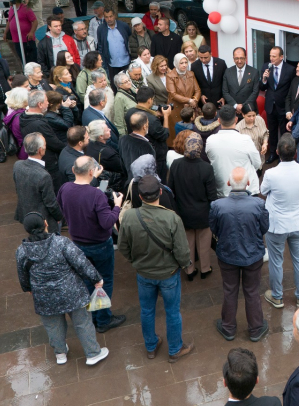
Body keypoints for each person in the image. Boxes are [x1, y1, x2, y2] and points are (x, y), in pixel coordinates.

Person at [16, 213, 110, 366]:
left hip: (44, 296)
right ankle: (93, 353)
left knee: (53, 326)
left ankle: (60, 354)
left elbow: (22, 274)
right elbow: (81, 263)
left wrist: (27, 288)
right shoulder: (61, 242)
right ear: (45, 223)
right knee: (83, 323)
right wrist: (96, 279)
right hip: (72, 292)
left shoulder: (22, 251)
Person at [118, 175, 194, 363]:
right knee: (172, 312)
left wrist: (135, 261)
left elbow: (123, 247)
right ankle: (175, 349)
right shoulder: (172, 218)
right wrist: (184, 265)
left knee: (146, 311)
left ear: (140, 196)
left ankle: (151, 347)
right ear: (160, 192)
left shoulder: (129, 216)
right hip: (169, 274)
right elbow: (182, 251)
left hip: (144, 273)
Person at [57, 156, 126, 333]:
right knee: (104, 280)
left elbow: (66, 206)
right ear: (90, 172)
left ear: (73, 170)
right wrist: (117, 206)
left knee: (88, 280)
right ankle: (103, 319)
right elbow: (107, 222)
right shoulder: (96, 195)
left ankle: (92, 316)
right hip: (100, 245)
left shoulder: (65, 189)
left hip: (78, 244)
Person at [210, 167, 269, 342]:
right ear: (248, 183)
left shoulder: (217, 205)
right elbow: (264, 228)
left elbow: (214, 228)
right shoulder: (258, 204)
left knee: (230, 290)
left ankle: (228, 328)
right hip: (253, 255)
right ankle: (256, 328)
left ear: (229, 183)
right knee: (252, 291)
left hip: (227, 254)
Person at [260, 134, 299, 308]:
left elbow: (263, 190)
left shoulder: (271, 174)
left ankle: (277, 296)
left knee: (276, 262)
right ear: (295, 152)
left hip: (277, 225)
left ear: (277, 152)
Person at [168, 133, 216, 280]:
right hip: (203, 214)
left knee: (187, 244)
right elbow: (212, 195)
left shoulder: (176, 164)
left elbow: (170, 190)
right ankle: (205, 269)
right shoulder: (206, 168)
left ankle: (189, 270)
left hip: (183, 212)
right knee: (204, 244)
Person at [206, 105, 261, 197]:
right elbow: (257, 163)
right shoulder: (245, 140)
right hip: (247, 189)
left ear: (219, 120)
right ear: (236, 119)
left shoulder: (210, 141)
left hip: (223, 191)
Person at [13, 133, 63, 233]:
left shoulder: (17, 165)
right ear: (40, 150)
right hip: (44, 220)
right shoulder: (44, 176)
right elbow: (51, 203)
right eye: (45, 145)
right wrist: (59, 217)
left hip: (26, 214)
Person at [19, 91, 67, 192]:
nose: (48, 103)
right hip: (49, 163)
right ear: (40, 104)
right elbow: (55, 144)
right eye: (46, 101)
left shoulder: (24, 116)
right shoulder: (39, 124)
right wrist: (69, 148)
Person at [125, 86, 171, 182]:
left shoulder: (130, 112)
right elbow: (164, 135)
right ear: (149, 100)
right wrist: (166, 116)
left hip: (136, 151)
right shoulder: (151, 120)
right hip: (156, 156)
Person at [260, 47, 296, 164]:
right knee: (272, 130)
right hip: (270, 105)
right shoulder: (266, 67)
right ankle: (272, 153)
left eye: (274, 56)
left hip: (283, 106)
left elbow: (291, 89)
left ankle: (283, 154)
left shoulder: (290, 69)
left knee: (284, 132)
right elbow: (262, 87)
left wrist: (289, 107)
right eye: (270, 56)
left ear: (281, 57)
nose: (271, 58)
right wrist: (264, 79)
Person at [167, 53, 201, 140]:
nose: (184, 65)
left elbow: (197, 90)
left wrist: (194, 100)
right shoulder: (170, 76)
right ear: (176, 63)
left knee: (191, 135)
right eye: (181, 63)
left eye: (186, 62)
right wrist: (188, 100)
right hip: (177, 108)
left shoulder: (191, 74)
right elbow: (173, 94)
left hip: (190, 107)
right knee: (178, 136)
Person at [85, 120, 125, 190]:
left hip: (99, 182)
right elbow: (123, 168)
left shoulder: (88, 145)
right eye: (107, 130)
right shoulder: (108, 154)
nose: (110, 130)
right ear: (101, 136)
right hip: (110, 185)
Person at [96, 9, 132, 89]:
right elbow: (100, 46)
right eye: (106, 17)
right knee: (115, 86)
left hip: (126, 62)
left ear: (114, 16)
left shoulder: (123, 26)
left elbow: (130, 40)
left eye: (111, 16)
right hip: (112, 63)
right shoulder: (101, 29)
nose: (109, 19)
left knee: (128, 84)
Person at [118, 113, 155, 187]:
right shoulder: (147, 147)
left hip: (126, 183)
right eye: (148, 123)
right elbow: (150, 171)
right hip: (141, 185)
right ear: (144, 126)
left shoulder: (122, 139)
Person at [223, 47, 260, 115]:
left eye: (241, 58)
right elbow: (225, 92)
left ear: (246, 58)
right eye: (236, 58)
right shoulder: (228, 72)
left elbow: (255, 91)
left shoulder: (254, 72)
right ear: (233, 58)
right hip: (232, 111)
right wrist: (235, 106)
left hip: (249, 111)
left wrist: (243, 106)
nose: (239, 61)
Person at [236, 103, 269, 169]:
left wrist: (265, 143)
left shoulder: (260, 120)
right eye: (249, 116)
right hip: (247, 162)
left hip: (260, 157)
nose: (252, 118)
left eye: (254, 115)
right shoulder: (238, 128)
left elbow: (265, 133)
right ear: (243, 115)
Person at [7, 0, 38, 66]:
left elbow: (35, 21)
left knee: (32, 59)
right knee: (22, 58)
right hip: (16, 40)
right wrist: (5, 33)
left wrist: (31, 32)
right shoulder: (11, 9)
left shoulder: (26, 8)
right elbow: (9, 21)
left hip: (27, 39)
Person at [4, 87, 29, 160]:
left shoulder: (12, 111)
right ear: (23, 101)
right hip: (26, 151)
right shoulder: (21, 118)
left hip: (21, 149)